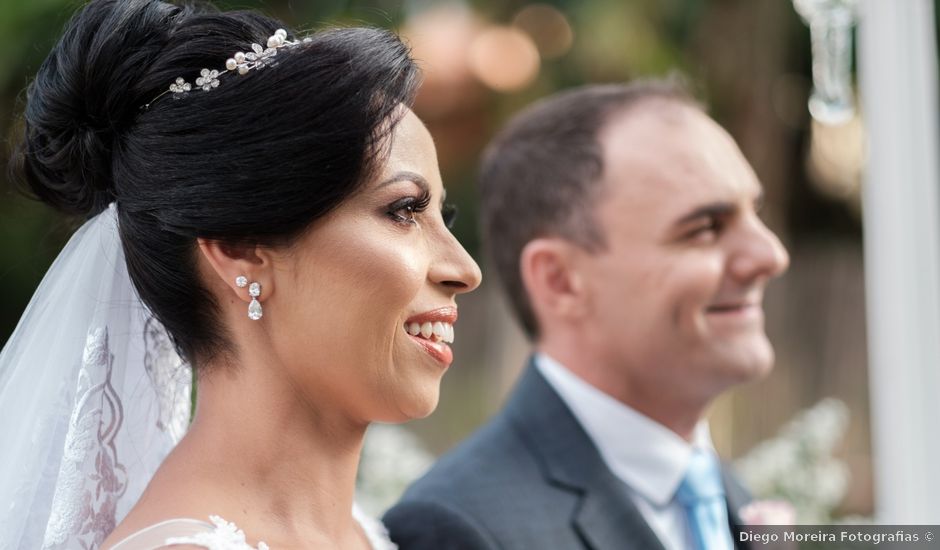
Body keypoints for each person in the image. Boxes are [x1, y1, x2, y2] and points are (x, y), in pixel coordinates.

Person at [1, 0, 481, 548]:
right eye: (403, 211)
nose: (465, 270)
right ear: (239, 247)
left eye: (441, 217)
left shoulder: (366, 533)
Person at [384, 81, 790, 550]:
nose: (769, 255)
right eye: (704, 228)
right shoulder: (461, 529)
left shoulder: (729, 496)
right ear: (560, 280)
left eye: (754, 215)